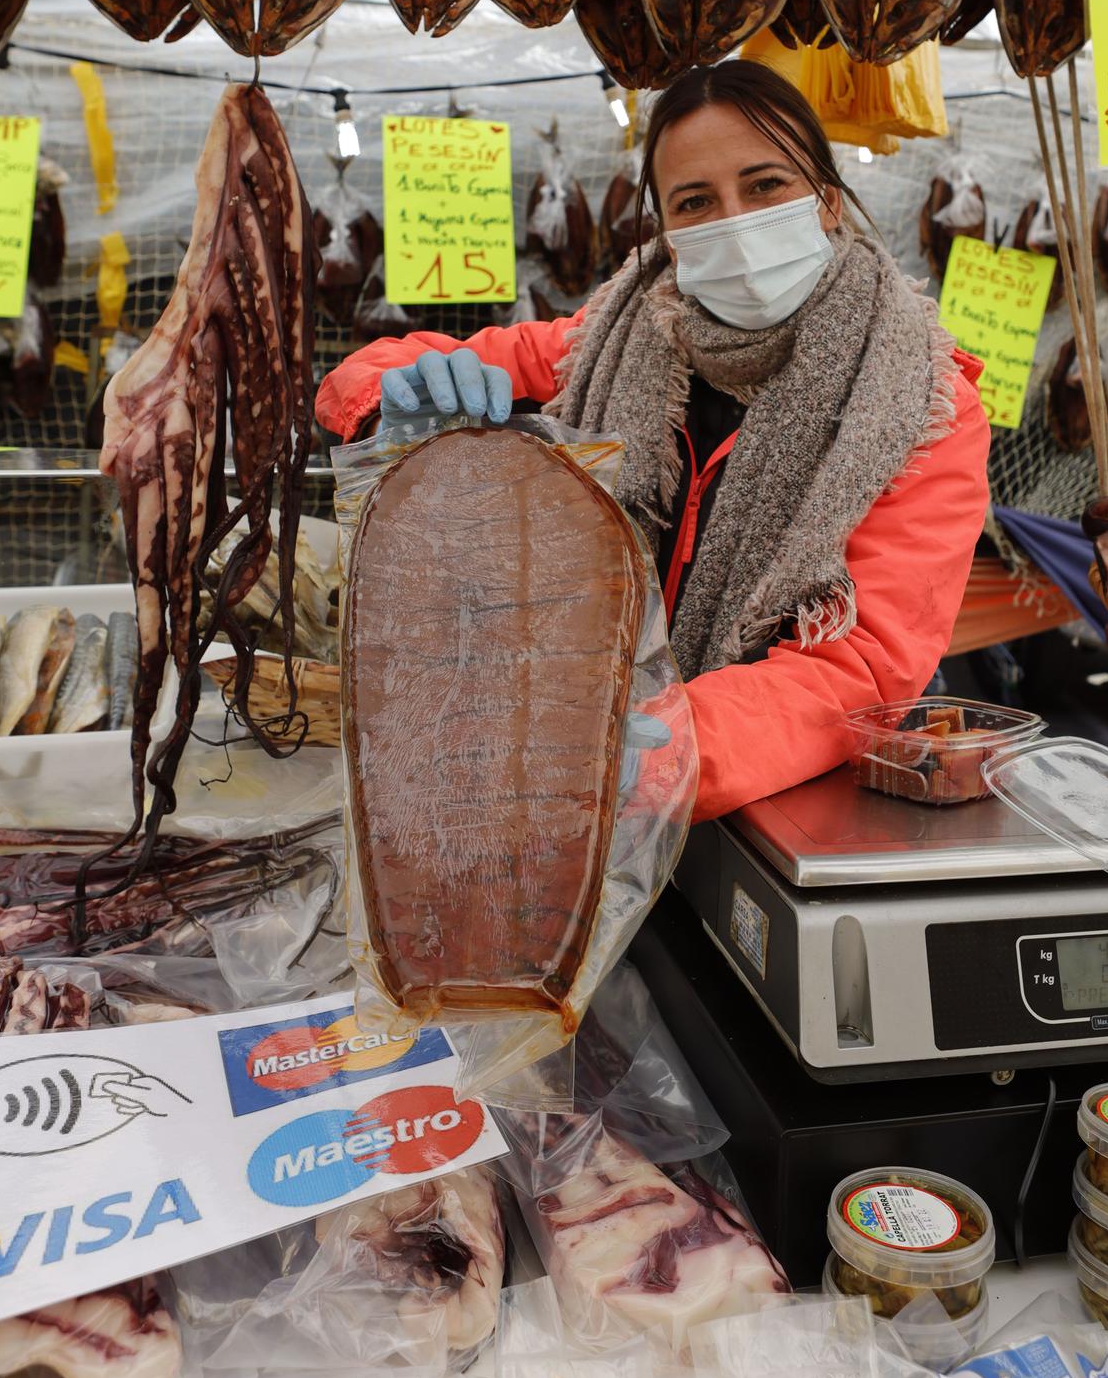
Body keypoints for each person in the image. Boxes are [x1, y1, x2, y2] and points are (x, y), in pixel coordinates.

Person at [316, 62, 990, 822]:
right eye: (695, 202)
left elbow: (861, 663)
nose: (733, 221)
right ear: (667, 236)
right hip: (554, 770)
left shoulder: (920, 406)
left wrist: (667, 746)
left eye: (765, 186)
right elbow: (378, 369)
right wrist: (385, 400)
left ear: (827, 203)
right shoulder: (604, 342)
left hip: (755, 802)